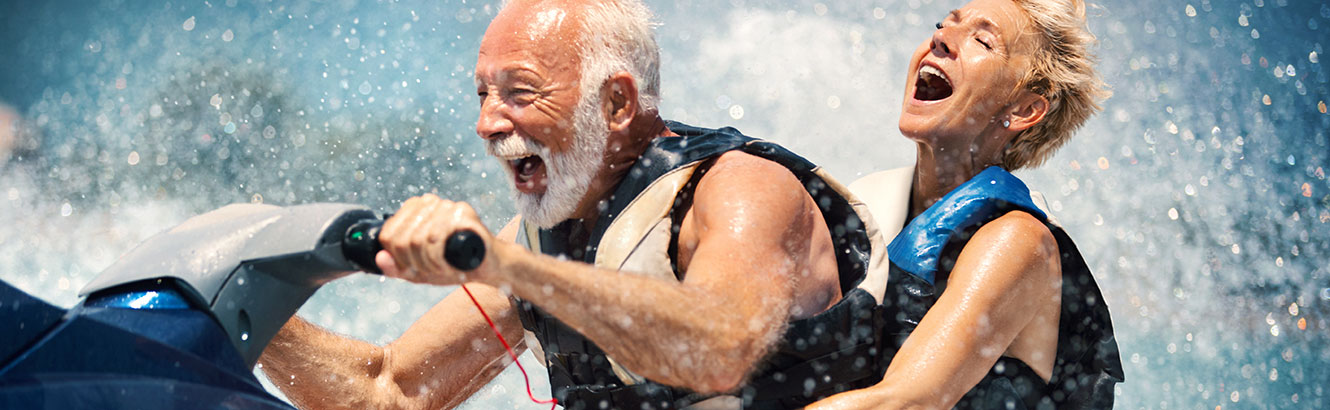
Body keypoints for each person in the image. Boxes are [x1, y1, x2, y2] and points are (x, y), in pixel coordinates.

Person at [260, 0, 897, 409]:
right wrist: (236, 308)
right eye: (482, 93)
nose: (487, 123)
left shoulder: (739, 190)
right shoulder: (542, 239)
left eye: (519, 92)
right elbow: (388, 392)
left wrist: (502, 269)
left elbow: (717, 349)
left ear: (616, 104)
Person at [807, 0, 1124, 408]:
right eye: (944, 24)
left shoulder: (1019, 243)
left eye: (982, 41)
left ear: (1024, 109)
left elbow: (907, 401)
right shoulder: (872, 207)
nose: (941, 38)